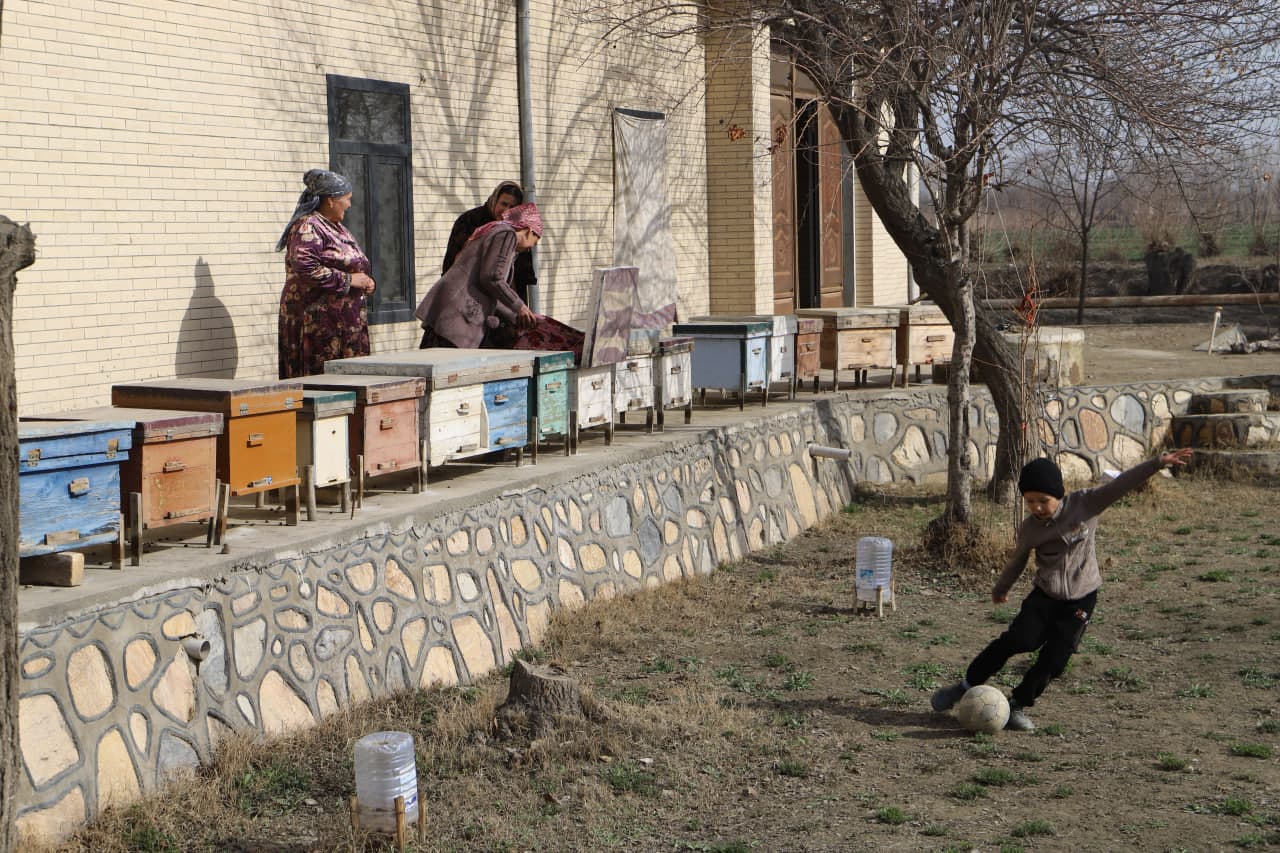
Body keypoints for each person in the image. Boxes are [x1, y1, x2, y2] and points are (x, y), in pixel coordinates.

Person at [930, 448, 1194, 732]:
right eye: (1030, 501)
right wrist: (1002, 587)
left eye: (1043, 501)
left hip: (1082, 598)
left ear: (1059, 494)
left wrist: (1157, 463)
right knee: (1019, 640)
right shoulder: (1030, 528)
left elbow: (1121, 484)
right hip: (1045, 596)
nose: (1037, 507)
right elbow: (1018, 560)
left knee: (1055, 660)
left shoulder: (1087, 504)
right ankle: (967, 685)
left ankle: (1017, 705)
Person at [276, 169, 376, 379]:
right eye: (347, 199)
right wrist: (349, 280)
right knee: (323, 382)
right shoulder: (308, 226)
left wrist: (366, 282)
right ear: (331, 200)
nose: (349, 205)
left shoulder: (336, 228)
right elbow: (305, 267)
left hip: (344, 323)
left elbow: (354, 264)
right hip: (318, 324)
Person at [415, 202, 541, 349]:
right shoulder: (507, 234)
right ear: (529, 231)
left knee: (434, 362)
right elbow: (493, 278)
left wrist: (515, 316)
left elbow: (491, 291)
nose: (531, 248)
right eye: (535, 241)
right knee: (446, 365)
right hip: (457, 316)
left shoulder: (495, 232)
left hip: (450, 310)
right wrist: (520, 307)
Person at [442, 180, 537, 305]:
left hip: (507, 302)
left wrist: (521, 306)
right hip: (470, 299)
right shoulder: (470, 221)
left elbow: (521, 276)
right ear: (494, 200)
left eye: (512, 207)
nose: (506, 211)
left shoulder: (518, 229)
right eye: (503, 204)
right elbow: (453, 262)